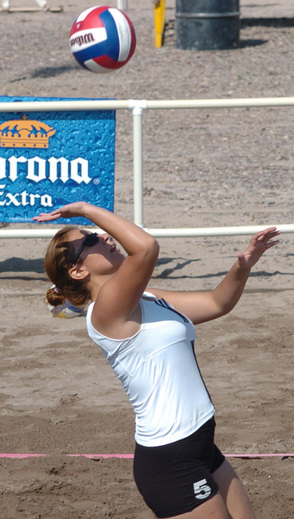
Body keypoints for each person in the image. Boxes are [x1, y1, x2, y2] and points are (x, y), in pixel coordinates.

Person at [34, 201, 280, 519]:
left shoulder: (146, 297)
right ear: (79, 271)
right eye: (92, 239)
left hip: (200, 445)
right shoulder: (105, 310)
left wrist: (243, 266)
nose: (105, 237)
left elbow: (216, 303)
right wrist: (84, 208)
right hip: (170, 460)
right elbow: (146, 247)